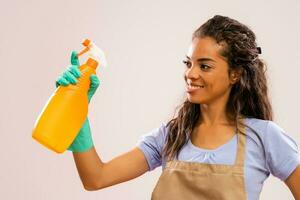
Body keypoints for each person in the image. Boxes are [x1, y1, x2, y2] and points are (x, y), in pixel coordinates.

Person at [55, 15, 300, 200]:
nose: (190, 74)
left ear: (234, 74)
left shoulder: (264, 137)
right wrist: (77, 110)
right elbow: (96, 178)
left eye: (205, 66)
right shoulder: (172, 135)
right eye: (188, 63)